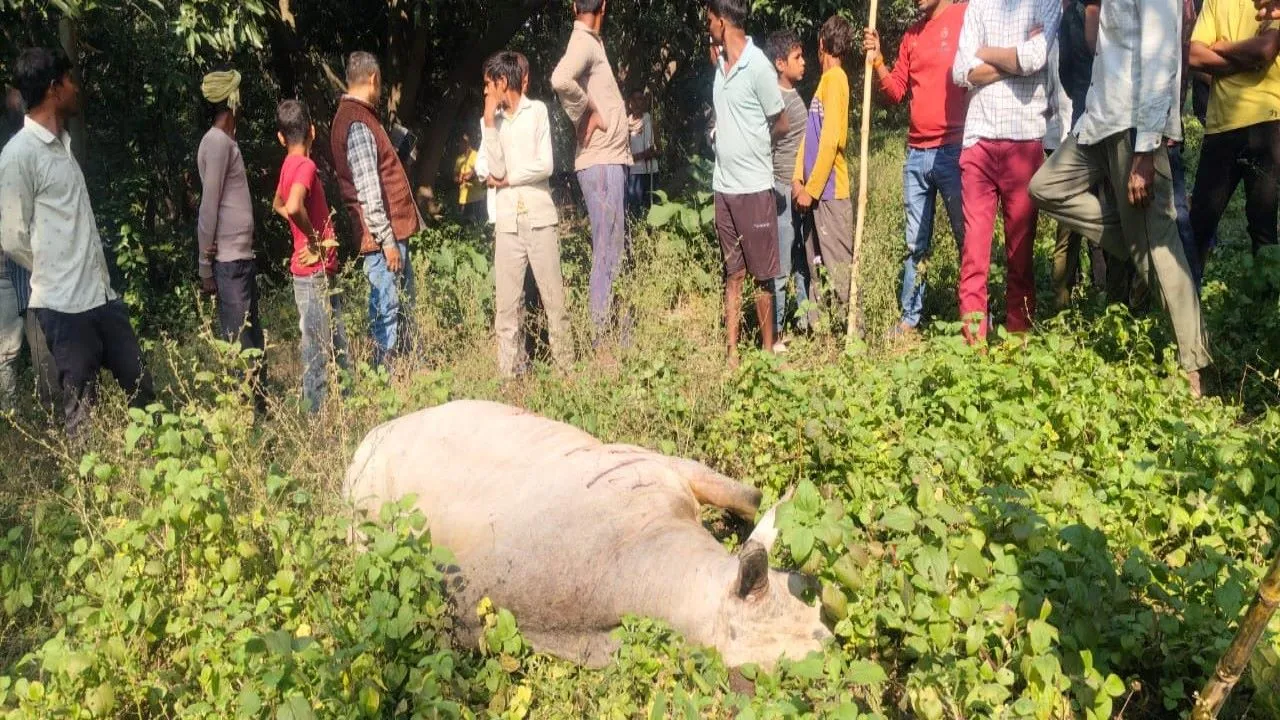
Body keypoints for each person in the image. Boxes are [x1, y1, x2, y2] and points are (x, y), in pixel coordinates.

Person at [1029, 0, 1212, 396]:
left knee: (1160, 249)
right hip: (1095, 123)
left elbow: (1161, 56)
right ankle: (1130, 239)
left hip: (1133, 127)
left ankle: (1193, 366)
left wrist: (1146, 150)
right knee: (1045, 187)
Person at [0, 48, 155, 435]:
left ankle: (160, 472)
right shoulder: (19, 155)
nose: (75, 87)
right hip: (64, 308)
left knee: (142, 388)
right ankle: (90, 492)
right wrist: (56, 269)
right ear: (54, 89)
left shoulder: (64, 145)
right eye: (69, 80)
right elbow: (12, 236)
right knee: (81, 414)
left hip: (102, 296)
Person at [951, 0, 1061, 341]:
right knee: (973, 256)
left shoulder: (1047, 3)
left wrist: (982, 52)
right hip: (978, 142)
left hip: (1024, 140)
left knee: (1020, 256)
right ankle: (972, 346)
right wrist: (1014, 60)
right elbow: (959, 71)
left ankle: (1018, 343)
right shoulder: (978, 5)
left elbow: (1035, 59)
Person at [864, 0, 967, 335]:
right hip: (917, 153)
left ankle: (975, 314)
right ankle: (910, 318)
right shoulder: (912, 35)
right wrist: (877, 59)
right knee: (915, 244)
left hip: (954, 149)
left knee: (967, 237)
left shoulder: (965, 14)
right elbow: (895, 90)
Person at [707, 0, 788, 366]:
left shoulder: (758, 66)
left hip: (754, 187)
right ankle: (732, 353)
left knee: (762, 275)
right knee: (733, 273)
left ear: (722, 22)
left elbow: (780, 122)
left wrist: (756, 145)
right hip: (723, 187)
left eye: (710, 20)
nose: (707, 26)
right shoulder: (719, 68)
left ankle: (768, 352)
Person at [483, 52, 573, 378]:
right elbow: (493, 169)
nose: (485, 92)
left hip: (539, 217)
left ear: (502, 82)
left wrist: (509, 178)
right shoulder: (494, 123)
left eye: (488, 85)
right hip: (507, 223)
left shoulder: (537, 112)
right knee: (506, 308)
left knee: (554, 302)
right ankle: (510, 378)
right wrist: (488, 123)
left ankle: (567, 373)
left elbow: (545, 165)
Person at [330, 51, 422, 367]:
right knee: (387, 307)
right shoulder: (356, 122)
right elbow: (368, 190)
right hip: (383, 237)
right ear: (373, 79)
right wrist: (387, 241)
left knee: (396, 305)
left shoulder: (359, 117)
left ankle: (403, 371)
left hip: (387, 235)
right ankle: (385, 373)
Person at [551, 0, 633, 339]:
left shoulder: (590, 41)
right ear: (603, 4)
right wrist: (589, 113)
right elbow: (559, 79)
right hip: (601, 162)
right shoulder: (584, 41)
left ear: (573, 5)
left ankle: (618, 334)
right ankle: (602, 342)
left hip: (607, 160)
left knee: (613, 248)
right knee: (608, 251)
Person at [1187, 0, 1280, 285]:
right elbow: (1193, 55)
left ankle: (1263, 315)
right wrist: (1248, 59)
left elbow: (1265, 49)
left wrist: (1222, 48)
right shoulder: (1216, 0)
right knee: (1199, 225)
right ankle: (1186, 310)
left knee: (1263, 228)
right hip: (1221, 126)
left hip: (1267, 122)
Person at [272, 100, 350, 413]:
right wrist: (315, 239)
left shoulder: (287, 166)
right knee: (317, 350)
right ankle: (315, 423)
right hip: (313, 271)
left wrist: (302, 232)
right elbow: (291, 206)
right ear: (313, 132)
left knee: (338, 342)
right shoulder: (305, 166)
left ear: (281, 137)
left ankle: (349, 405)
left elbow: (278, 204)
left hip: (316, 271)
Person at [197, 69, 265, 412]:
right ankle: (244, 413)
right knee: (239, 341)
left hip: (240, 257)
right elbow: (208, 206)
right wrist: (204, 265)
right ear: (231, 101)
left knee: (253, 337)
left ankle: (261, 408)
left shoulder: (226, 142)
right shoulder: (216, 142)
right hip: (228, 261)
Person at [794, 17, 854, 314]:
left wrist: (812, 189)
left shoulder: (836, 80)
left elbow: (831, 141)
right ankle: (823, 333)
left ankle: (855, 336)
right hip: (815, 193)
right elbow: (810, 135)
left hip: (830, 192)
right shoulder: (825, 83)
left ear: (821, 44)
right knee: (816, 263)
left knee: (839, 267)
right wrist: (797, 179)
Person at [765, 29, 816, 344]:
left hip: (797, 189)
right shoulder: (775, 99)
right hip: (783, 188)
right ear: (780, 63)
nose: (804, 62)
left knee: (800, 255)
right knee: (783, 261)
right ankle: (778, 331)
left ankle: (803, 322)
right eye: (797, 58)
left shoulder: (791, 94)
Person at [626, 89, 659, 219]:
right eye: (636, 99)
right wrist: (642, 155)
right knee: (636, 210)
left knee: (653, 208)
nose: (639, 103)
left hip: (652, 171)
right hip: (635, 173)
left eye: (641, 99)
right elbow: (624, 155)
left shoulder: (650, 121)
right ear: (630, 103)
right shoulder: (626, 126)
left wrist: (654, 153)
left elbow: (659, 149)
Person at [454, 127, 488, 224]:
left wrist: (471, 175)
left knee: (476, 224)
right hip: (463, 198)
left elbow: (481, 172)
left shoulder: (476, 156)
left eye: (464, 142)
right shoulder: (459, 159)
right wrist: (460, 178)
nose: (461, 144)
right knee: (464, 225)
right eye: (460, 142)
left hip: (476, 197)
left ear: (469, 143)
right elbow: (455, 176)